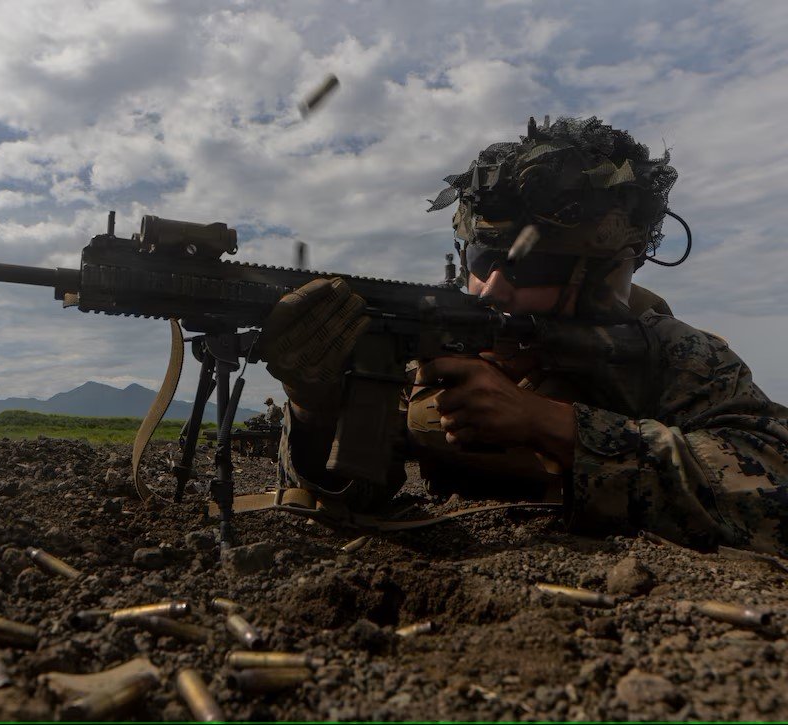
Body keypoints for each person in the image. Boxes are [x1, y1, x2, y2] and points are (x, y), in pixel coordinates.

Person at [258, 116, 788, 557]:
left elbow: (773, 494)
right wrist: (313, 410)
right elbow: (347, 500)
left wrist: (550, 425)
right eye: (482, 259)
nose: (492, 290)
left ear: (605, 276)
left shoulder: (682, 358)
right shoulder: (434, 342)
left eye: (528, 268)